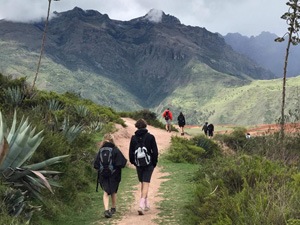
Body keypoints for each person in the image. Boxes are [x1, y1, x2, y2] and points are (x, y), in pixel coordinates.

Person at [129, 119, 158, 215]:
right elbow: (155, 152)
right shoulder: (150, 137)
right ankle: (141, 205)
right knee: (146, 182)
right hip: (148, 163)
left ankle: (145, 203)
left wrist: (134, 162)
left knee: (142, 182)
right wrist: (154, 163)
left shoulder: (133, 138)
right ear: (145, 126)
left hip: (139, 164)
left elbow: (131, 152)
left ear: (136, 126)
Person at [94, 133, 127, 218]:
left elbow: (96, 165)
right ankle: (113, 207)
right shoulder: (115, 149)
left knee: (105, 192)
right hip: (114, 174)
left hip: (103, 174)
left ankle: (106, 210)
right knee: (113, 190)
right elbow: (122, 163)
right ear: (112, 140)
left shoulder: (100, 150)